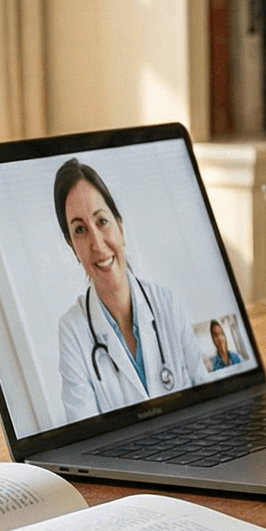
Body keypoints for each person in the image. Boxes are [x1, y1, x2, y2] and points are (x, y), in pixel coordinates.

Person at [53, 158, 199, 420]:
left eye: (102, 221)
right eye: (80, 230)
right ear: (72, 247)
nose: (97, 243)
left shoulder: (166, 303)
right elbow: (84, 431)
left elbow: (208, 391)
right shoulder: (72, 331)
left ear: (120, 226)